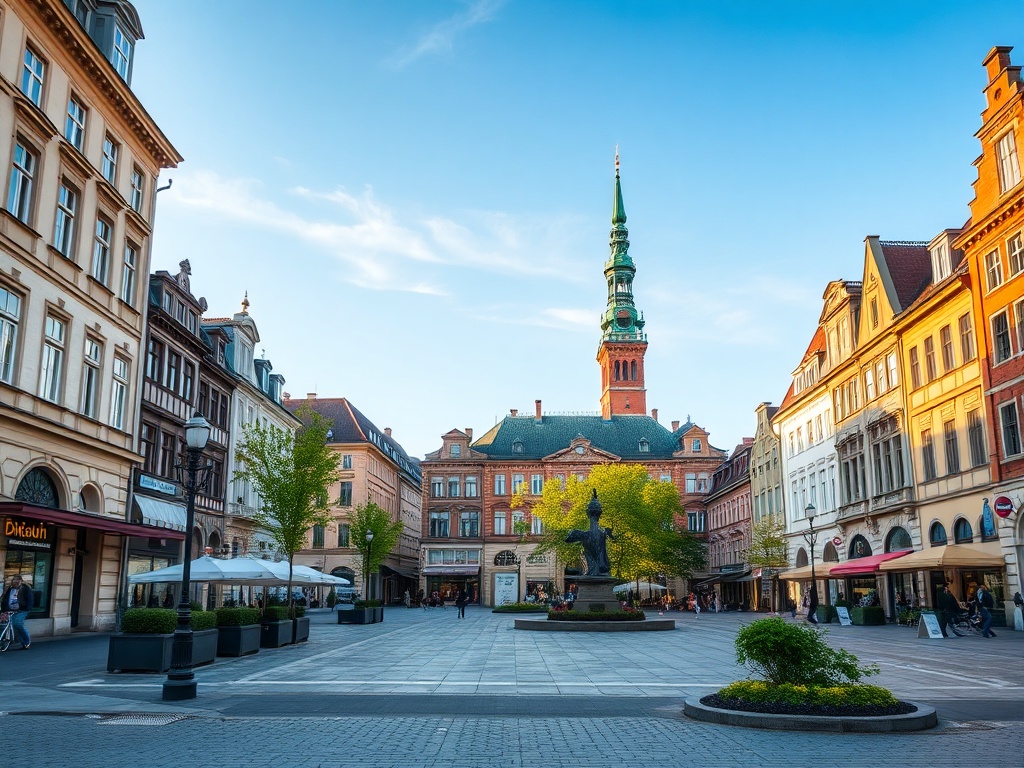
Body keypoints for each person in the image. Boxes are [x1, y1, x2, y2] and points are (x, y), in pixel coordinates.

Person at [1, 574, 33, 649]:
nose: (16, 581)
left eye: (18, 579)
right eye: (14, 579)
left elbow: (30, 601)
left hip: (22, 610)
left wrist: (25, 609)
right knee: (3, 623)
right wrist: (4, 611)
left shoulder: (26, 589)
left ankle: (26, 642)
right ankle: (5, 641)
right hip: (9, 610)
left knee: (17, 623)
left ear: (21, 581)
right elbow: (5, 600)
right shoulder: (10, 589)